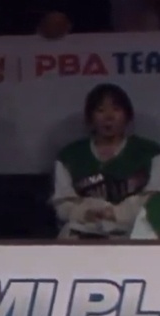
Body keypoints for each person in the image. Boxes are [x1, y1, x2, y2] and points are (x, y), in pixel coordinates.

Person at [51, 84, 160, 239]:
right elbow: (62, 204)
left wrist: (117, 213)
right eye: (100, 110)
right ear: (90, 117)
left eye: (116, 109)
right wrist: (86, 212)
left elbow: (155, 200)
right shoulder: (69, 155)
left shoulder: (150, 152)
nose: (109, 117)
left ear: (127, 116)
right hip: (84, 229)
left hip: (133, 231)